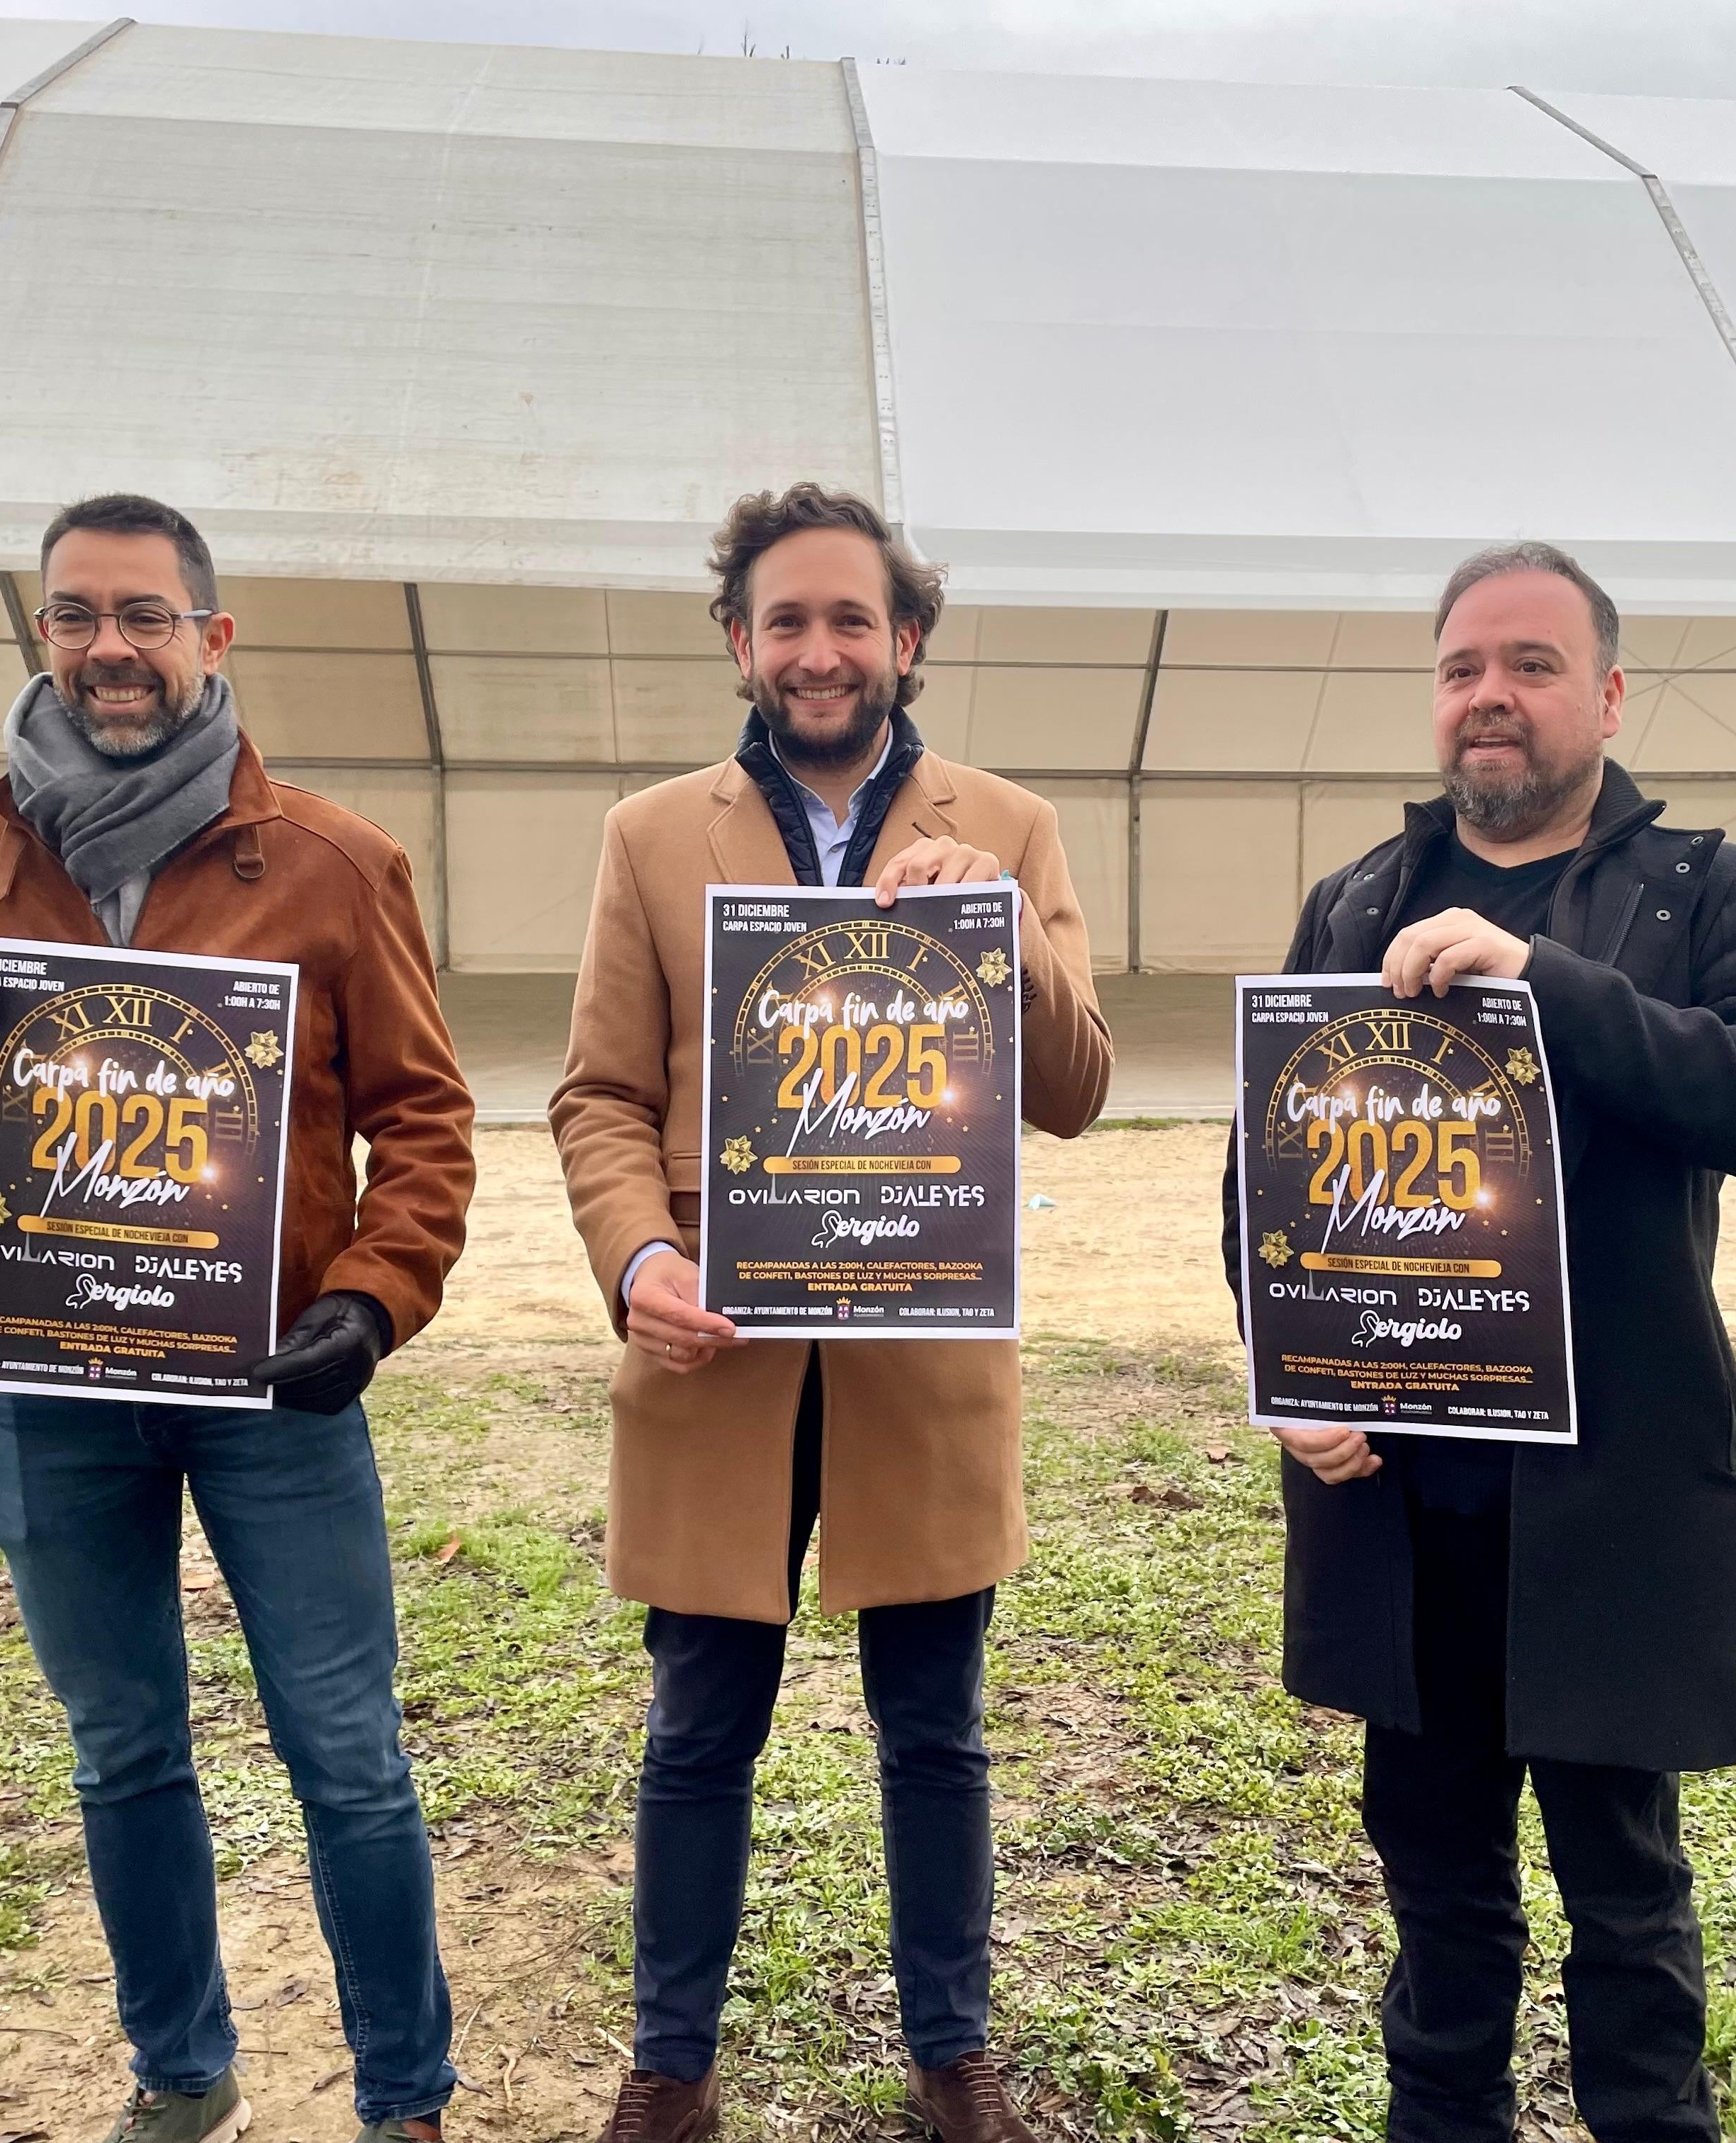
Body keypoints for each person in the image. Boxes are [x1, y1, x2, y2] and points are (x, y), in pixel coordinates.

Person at [0, 494, 475, 2143]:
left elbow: (424, 1121)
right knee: (123, 1749)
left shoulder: (337, 865)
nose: (108, 648)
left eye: (142, 615)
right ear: (41, 635)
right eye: (75, 616)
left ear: (211, 636)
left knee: (348, 1757)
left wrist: (373, 1298)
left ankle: (404, 2098)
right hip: (49, 1380)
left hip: (278, 1390)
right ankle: (180, 2077)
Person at [1222, 543, 1736, 2142]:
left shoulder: (1705, 890)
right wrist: (1293, 1379)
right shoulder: (1356, 898)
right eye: (1461, 668)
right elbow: (1263, 1176)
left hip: (1606, 1504)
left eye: (1533, 665)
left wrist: (1542, 981)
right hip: (1403, 1504)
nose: (1489, 695)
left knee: (1625, 1909)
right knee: (1435, 1904)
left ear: (1610, 695)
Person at [549, 483, 1113, 2143]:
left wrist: (1005, 939)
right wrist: (639, 1259)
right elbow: (595, 1096)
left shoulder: (1007, 827)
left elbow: (1075, 1093)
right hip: (714, 1355)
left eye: (850, 619)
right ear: (739, 642)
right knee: (697, 1729)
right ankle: (671, 2067)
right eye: (785, 620)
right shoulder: (652, 837)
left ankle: (954, 2055)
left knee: (933, 1730)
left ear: (907, 640)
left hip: (922, 1355)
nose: (818, 650)